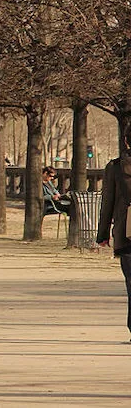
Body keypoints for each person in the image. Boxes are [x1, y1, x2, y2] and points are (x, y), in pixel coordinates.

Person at [97, 127, 131, 343]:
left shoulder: (116, 167)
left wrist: (102, 235)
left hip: (126, 232)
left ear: (126, 141)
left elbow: (107, 201)